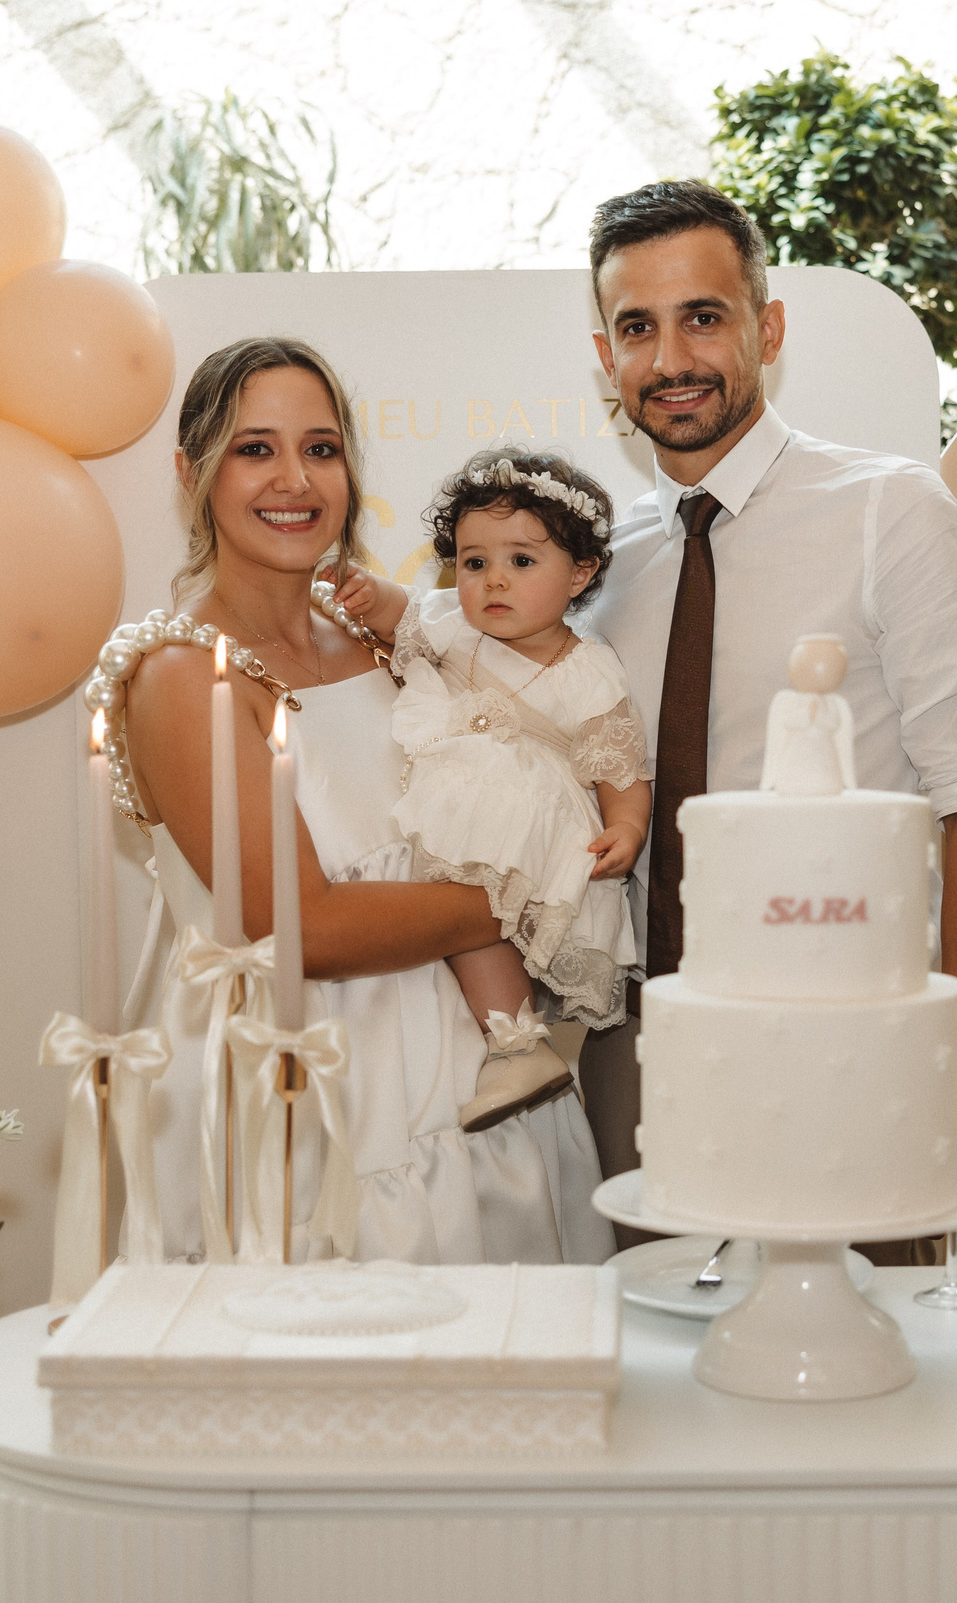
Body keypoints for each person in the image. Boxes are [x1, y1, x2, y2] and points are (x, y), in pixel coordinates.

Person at [575, 179, 957, 1192]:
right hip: (640, 1047)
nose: (672, 361)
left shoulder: (890, 511)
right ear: (606, 357)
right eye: (636, 328)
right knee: (651, 1334)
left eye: (704, 318)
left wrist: (954, 1059)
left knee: (871, 1333)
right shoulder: (598, 565)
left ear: (766, 328)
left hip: (853, 1036)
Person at [122, 336, 612, 1265]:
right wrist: (525, 889)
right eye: (254, 448)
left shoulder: (384, 639)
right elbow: (301, 926)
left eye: (322, 447)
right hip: (322, 1094)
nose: (294, 479)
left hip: (476, 1066)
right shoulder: (185, 674)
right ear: (192, 473)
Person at [330, 449, 652, 1132]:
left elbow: (617, 758)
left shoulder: (587, 668)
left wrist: (626, 827)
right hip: (466, 807)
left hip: (532, 820)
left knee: (472, 895)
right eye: (474, 563)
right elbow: (401, 612)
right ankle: (509, 1040)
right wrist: (365, 591)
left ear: (581, 573)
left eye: (522, 562)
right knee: (460, 909)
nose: (493, 581)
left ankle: (516, 1041)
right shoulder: (453, 624)